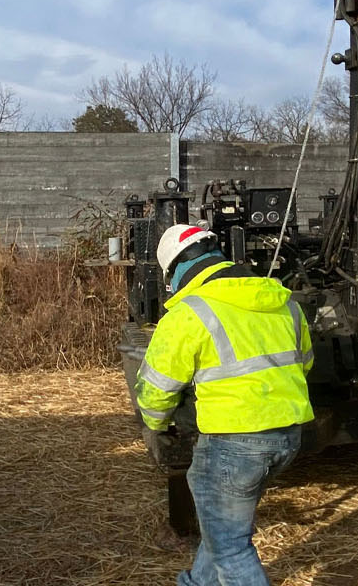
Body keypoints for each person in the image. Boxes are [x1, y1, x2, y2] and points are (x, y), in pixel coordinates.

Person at [134, 224, 314, 586]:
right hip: (288, 438)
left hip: (234, 444)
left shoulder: (189, 313)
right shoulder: (284, 302)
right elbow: (305, 362)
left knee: (231, 546)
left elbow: (157, 388)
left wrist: (153, 427)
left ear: (175, 272)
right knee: (222, 526)